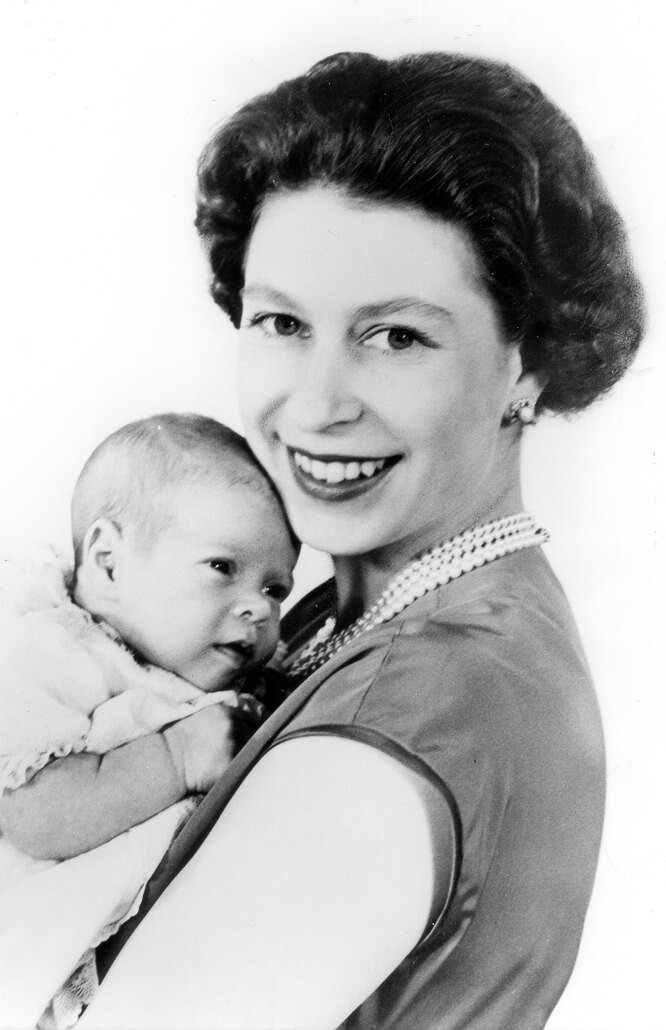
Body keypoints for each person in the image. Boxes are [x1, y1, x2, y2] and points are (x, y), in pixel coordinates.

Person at [85, 51, 645, 1030]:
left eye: (396, 337)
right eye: (281, 322)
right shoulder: (377, 607)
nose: (316, 405)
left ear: (529, 362)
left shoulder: (420, 700)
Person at [0, 413, 297, 1029]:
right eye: (223, 567)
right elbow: (36, 815)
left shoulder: (223, 684)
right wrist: (178, 757)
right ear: (108, 562)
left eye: (276, 590)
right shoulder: (47, 650)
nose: (257, 608)